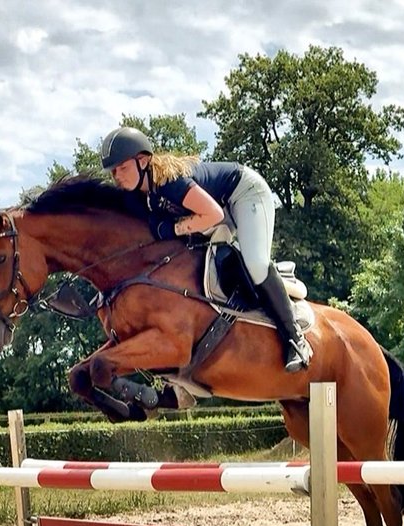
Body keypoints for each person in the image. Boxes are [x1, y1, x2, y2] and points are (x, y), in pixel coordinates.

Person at [99, 126, 310, 372]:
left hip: (244, 193)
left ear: (143, 160)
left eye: (122, 168)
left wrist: (174, 229)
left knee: (255, 264)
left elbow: (213, 214)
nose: (117, 176)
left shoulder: (169, 182)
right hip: (215, 212)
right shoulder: (144, 196)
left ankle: (296, 339)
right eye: (113, 171)